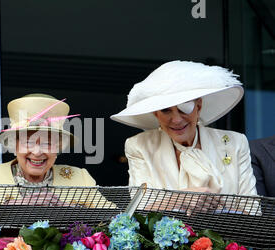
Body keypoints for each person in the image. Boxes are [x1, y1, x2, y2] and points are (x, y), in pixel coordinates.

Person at [110, 60, 260, 215]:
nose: (176, 120)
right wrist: (181, 198)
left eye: (184, 108)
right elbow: (139, 209)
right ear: (156, 113)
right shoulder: (139, 146)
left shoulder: (235, 143)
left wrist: (215, 207)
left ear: (198, 106)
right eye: (166, 110)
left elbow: (253, 211)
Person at [0, 93, 116, 209]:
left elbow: (113, 217)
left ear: (58, 147)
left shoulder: (80, 179)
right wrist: (15, 206)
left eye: (47, 143)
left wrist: (67, 211)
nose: (36, 152)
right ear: (14, 146)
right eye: (27, 142)